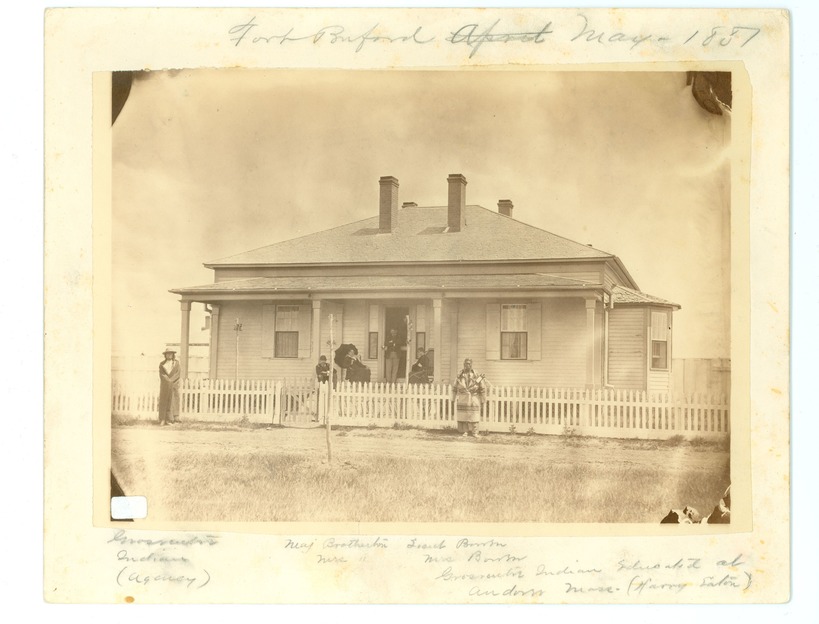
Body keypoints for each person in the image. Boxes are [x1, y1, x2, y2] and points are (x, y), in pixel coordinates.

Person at [453, 358, 487, 437]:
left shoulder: (476, 375)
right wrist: (453, 398)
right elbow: (454, 387)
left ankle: (475, 432)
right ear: (463, 365)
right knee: (464, 415)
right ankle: (465, 431)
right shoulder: (460, 375)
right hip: (463, 397)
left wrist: (483, 398)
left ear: (471, 365)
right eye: (465, 364)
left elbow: (482, 387)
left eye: (469, 364)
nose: (467, 365)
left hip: (473, 397)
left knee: (474, 415)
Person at [158, 348, 181, 426]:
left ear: (173, 354)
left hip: (174, 385)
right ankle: (163, 419)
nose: (169, 355)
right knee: (164, 401)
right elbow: (162, 375)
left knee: (173, 401)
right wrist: (168, 381)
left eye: (171, 353)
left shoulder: (176, 363)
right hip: (165, 385)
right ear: (165, 355)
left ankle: (171, 419)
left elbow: (177, 374)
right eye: (168, 353)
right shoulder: (162, 364)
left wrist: (171, 381)